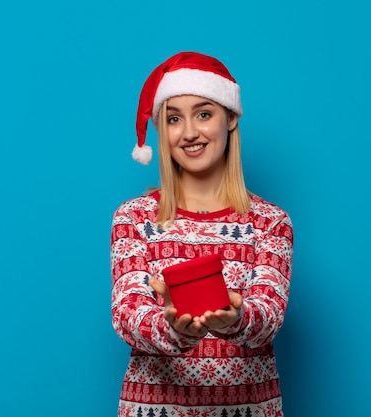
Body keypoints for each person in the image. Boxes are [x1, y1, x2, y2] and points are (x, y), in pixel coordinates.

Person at [110, 51, 294, 417]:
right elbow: (128, 314)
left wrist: (236, 319)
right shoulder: (133, 217)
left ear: (230, 118)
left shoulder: (271, 222)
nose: (190, 132)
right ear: (162, 130)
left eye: (204, 113)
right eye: (174, 118)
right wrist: (174, 329)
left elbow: (268, 317)